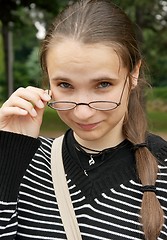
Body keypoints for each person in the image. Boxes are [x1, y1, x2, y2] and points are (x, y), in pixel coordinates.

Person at [0, 0, 167, 239]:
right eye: (65, 85)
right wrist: (9, 154)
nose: (83, 112)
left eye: (103, 85)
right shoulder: (25, 159)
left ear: (134, 74)